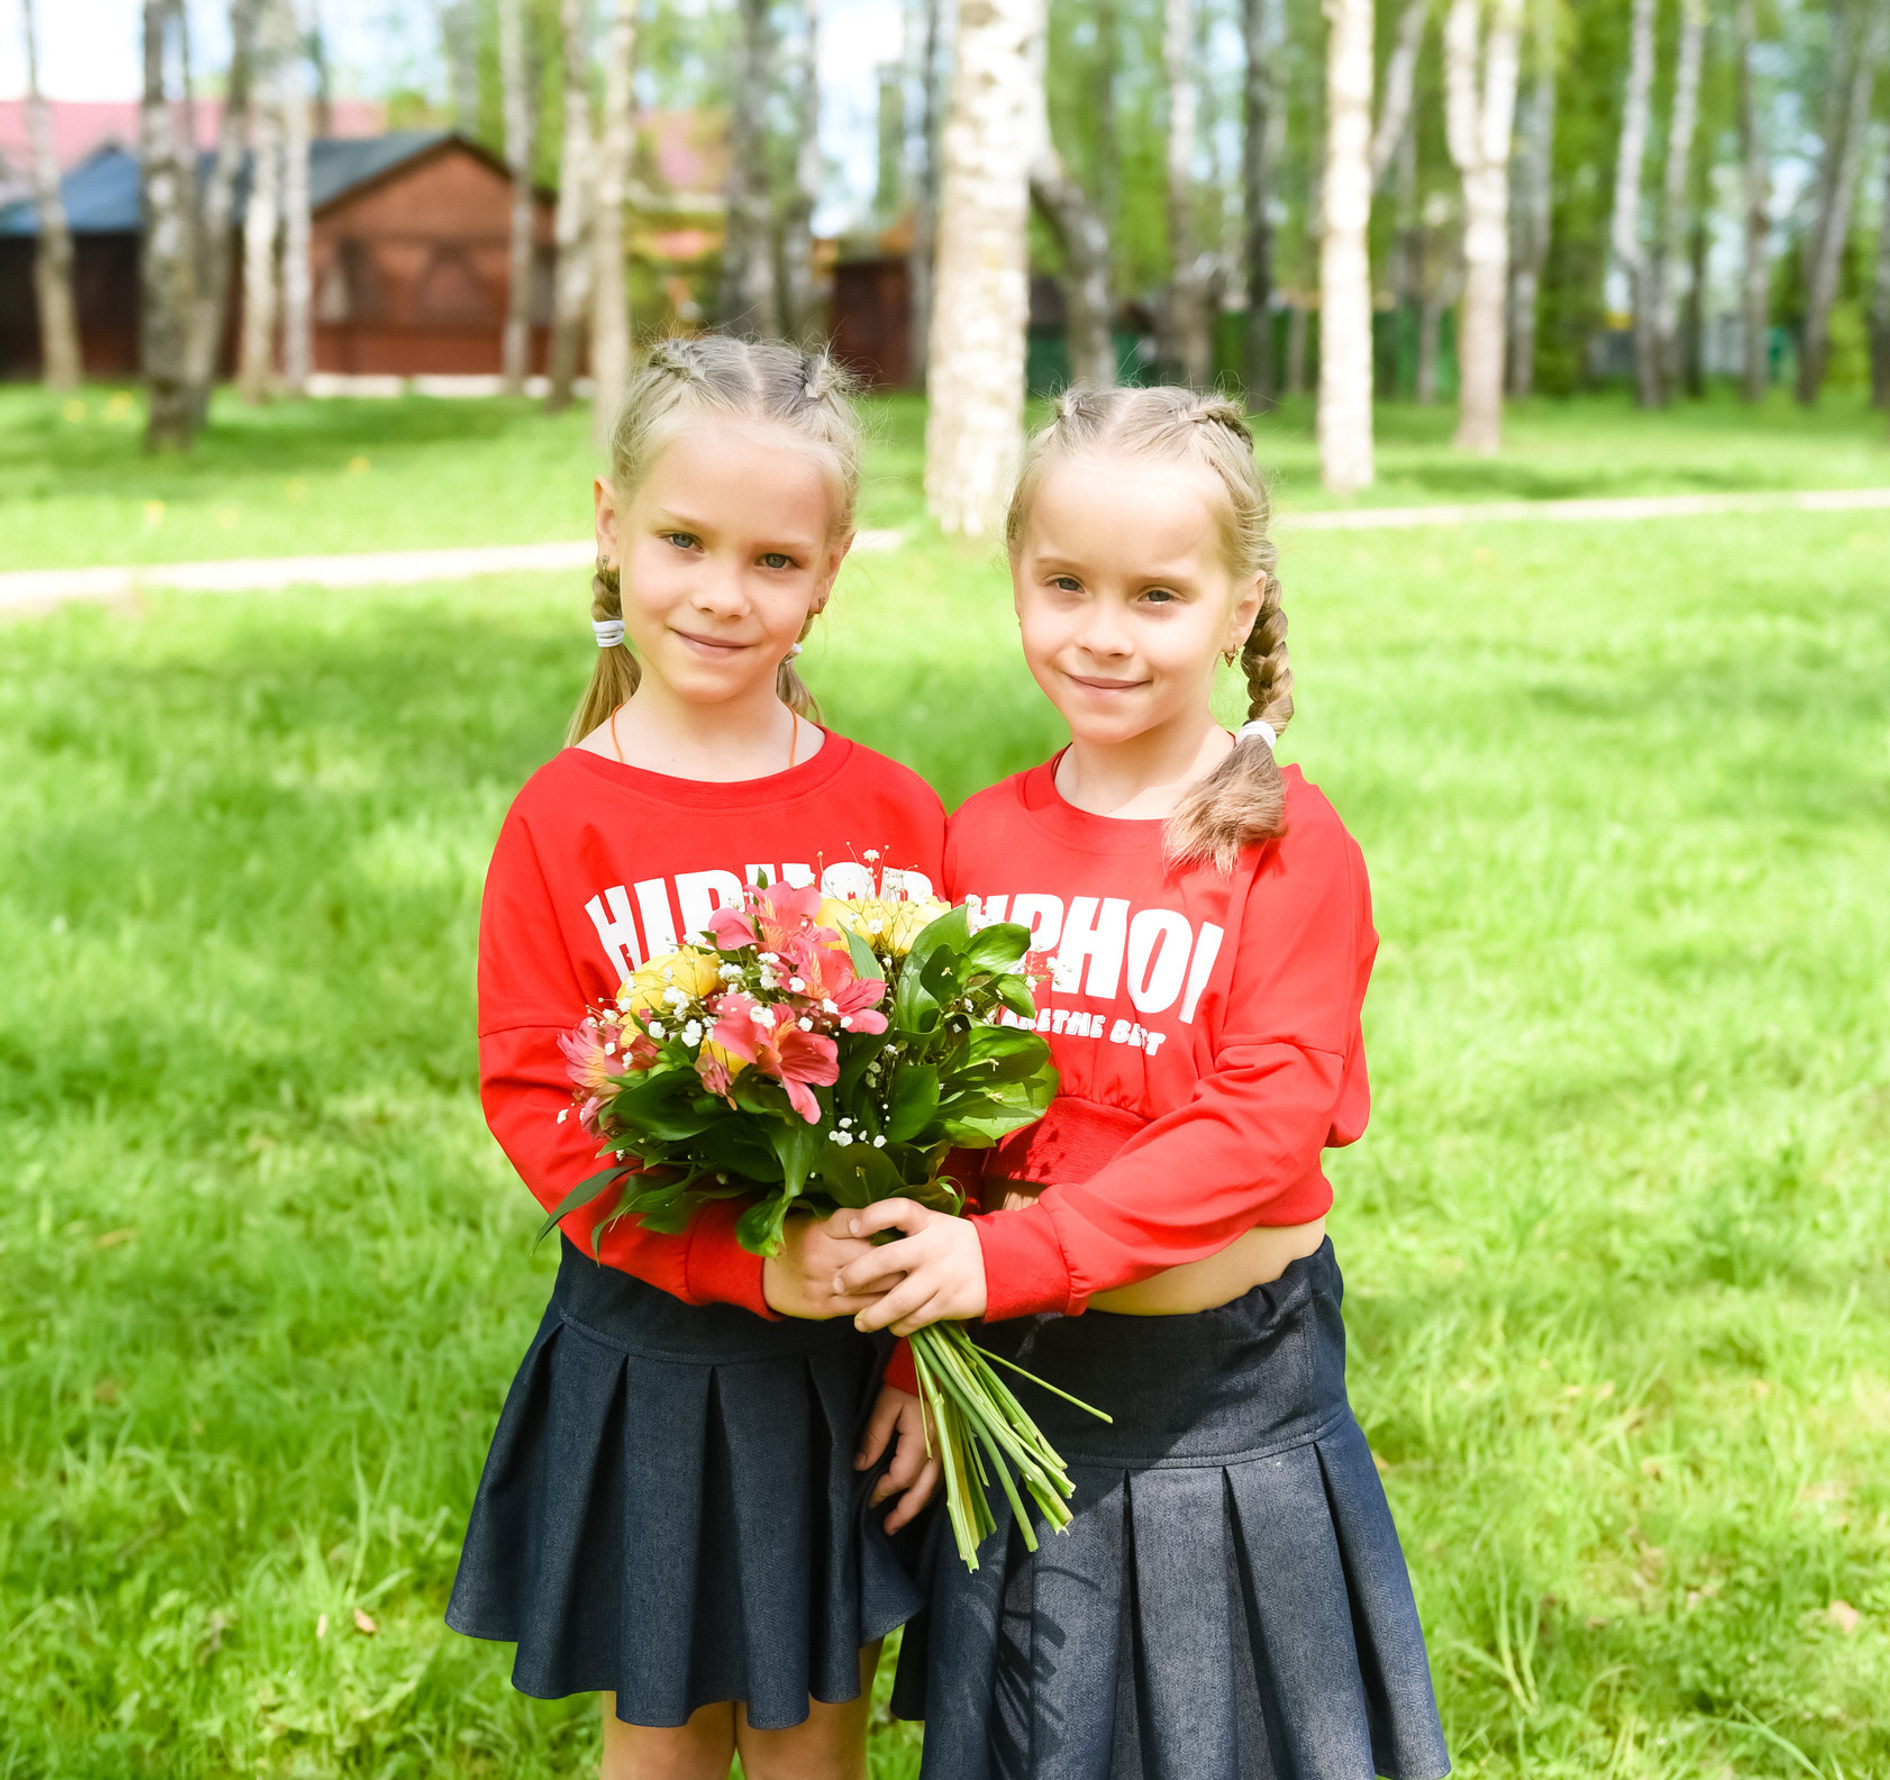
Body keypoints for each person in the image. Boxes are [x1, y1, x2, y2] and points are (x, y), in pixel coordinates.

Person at [833, 386, 1450, 1780]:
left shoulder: (1289, 849)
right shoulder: (978, 841)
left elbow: (1265, 1118)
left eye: (1157, 595)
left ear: (1239, 610)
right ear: (1015, 579)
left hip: (1230, 1408)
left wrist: (1016, 1256)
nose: (1102, 632)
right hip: (1028, 1380)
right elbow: (942, 1136)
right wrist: (922, 1356)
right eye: (1064, 584)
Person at [446, 336, 943, 1780]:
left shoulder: (891, 817)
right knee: (661, 1735)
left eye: (774, 561)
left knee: (810, 1732)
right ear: (611, 526)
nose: (723, 594)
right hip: (658, 1352)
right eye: (682, 541)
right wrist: (742, 1263)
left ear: (832, 569)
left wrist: (916, 1347)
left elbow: (947, 1124)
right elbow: (542, 1107)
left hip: (835, 1375)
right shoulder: (564, 819)